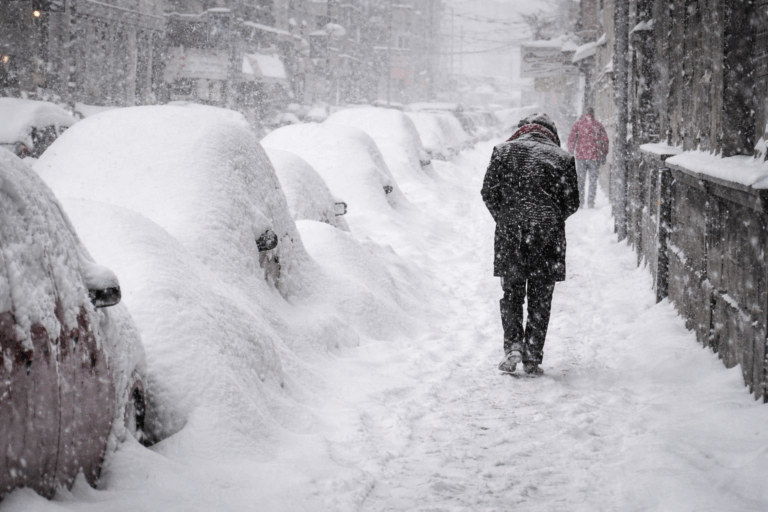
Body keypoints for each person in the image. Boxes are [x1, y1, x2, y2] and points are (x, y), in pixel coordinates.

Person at [481, 113, 579, 375]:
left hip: (511, 236)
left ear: (521, 129)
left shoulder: (503, 152)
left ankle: (513, 344)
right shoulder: (562, 158)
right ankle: (533, 356)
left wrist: (506, 218)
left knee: (512, 294)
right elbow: (572, 202)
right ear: (551, 132)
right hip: (548, 240)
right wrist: (550, 218)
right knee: (540, 298)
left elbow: (488, 192)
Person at [567, 107, 609, 208]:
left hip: (581, 156)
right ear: (593, 114)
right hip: (594, 157)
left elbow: (572, 138)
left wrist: (571, 151)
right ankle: (591, 202)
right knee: (593, 180)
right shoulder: (598, 125)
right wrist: (603, 154)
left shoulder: (578, 124)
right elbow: (604, 141)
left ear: (584, 114)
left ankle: (580, 202)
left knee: (580, 180)